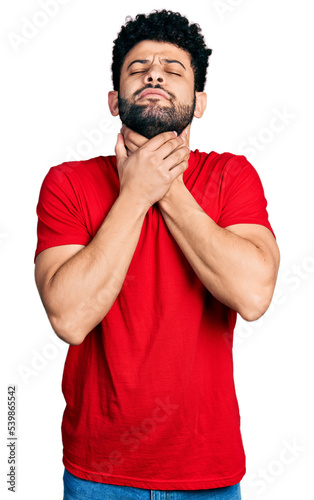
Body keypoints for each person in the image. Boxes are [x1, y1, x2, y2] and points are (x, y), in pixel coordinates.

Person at [34, 9, 280, 500]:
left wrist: (164, 188)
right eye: (138, 67)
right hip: (97, 475)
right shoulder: (68, 183)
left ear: (199, 101)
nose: (154, 74)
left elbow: (253, 295)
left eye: (173, 69)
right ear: (113, 99)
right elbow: (70, 317)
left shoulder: (233, 177)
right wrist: (132, 196)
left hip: (206, 472)